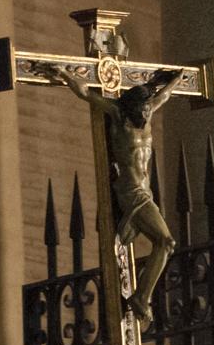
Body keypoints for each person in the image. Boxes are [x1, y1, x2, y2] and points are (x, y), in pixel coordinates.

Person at [36, 62, 184, 326]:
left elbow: (164, 96)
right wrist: (65, 74)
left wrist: (176, 79)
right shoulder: (118, 116)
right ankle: (141, 299)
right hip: (130, 192)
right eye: (144, 107)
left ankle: (140, 297)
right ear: (133, 107)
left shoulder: (146, 118)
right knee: (166, 242)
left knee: (164, 243)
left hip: (144, 192)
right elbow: (85, 94)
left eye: (148, 106)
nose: (148, 110)